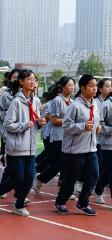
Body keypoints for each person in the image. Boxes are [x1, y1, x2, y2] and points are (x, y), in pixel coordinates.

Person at [0, 69, 46, 217]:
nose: (33, 82)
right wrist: (23, 125)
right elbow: (8, 124)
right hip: (16, 146)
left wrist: (40, 122)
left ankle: (18, 204)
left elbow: (35, 121)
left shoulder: (35, 101)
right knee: (18, 177)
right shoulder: (16, 101)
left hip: (31, 146)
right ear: (21, 82)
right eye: (29, 79)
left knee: (29, 177)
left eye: (34, 79)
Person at [55, 74, 100, 216]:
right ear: (82, 87)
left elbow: (95, 122)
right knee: (70, 180)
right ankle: (60, 202)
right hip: (74, 150)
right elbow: (67, 126)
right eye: (91, 86)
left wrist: (97, 128)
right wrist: (82, 126)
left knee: (93, 175)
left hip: (91, 148)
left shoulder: (95, 104)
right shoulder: (75, 105)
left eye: (96, 86)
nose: (95, 89)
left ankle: (82, 203)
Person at [33, 76, 75, 193]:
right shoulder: (57, 100)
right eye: (69, 85)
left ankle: (40, 177)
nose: (72, 87)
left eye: (73, 85)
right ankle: (38, 174)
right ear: (62, 87)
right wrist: (71, 121)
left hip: (69, 137)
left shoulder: (72, 102)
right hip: (57, 137)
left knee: (60, 164)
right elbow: (54, 120)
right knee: (60, 163)